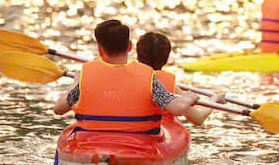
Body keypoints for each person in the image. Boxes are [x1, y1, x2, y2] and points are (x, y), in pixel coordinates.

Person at [54, 20, 212, 130]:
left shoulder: (86, 76)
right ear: (130, 47)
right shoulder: (147, 78)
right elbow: (177, 108)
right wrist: (189, 98)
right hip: (136, 144)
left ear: (100, 50)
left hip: (91, 143)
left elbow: (58, 109)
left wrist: (76, 82)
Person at [136, 32, 215, 126]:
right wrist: (214, 99)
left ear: (138, 54)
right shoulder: (170, 86)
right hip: (157, 131)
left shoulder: (129, 77)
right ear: (166, 59)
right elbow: (198, 118)